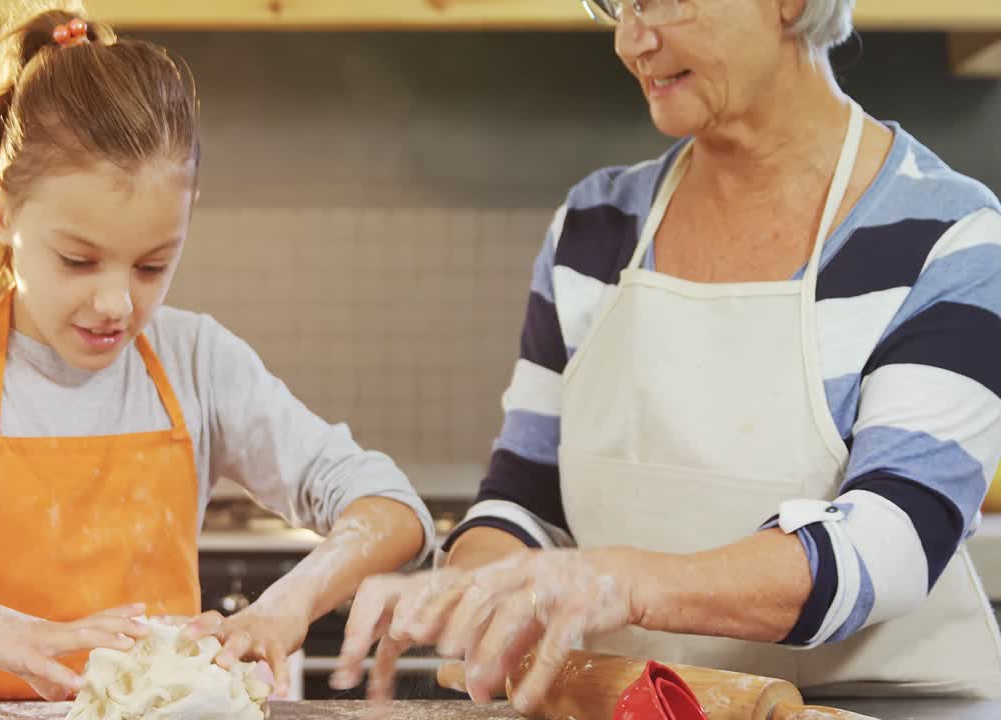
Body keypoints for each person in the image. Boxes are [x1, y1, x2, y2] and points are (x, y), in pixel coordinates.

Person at [0, 4, 432, 702]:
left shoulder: (196, 361)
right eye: (78, 260)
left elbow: (392, 506)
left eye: (152, 266)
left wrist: (288, 606)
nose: (118, 304)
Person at [334, 0, 1001, 710]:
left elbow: (890, 541)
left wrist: (622, 582)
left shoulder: (949, 238)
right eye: (614, 4)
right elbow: (525, 501)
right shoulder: (595, 231)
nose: (631, 39)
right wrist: (480, 581)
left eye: (663, 1)